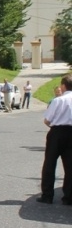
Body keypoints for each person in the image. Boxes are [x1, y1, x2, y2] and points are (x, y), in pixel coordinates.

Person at [37, 74, 72, 205]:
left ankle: (47, 195)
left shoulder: (58, 100)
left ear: (63, 86)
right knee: (70, 166)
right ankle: (68, 196)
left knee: (50, 163)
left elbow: (47, 120)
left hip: (57, 132)